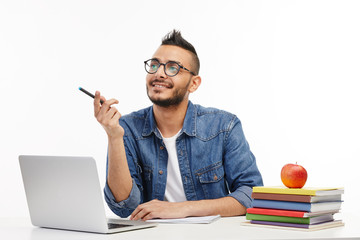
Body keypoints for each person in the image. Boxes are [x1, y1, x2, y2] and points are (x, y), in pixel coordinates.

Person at [94, 30, 263, 221]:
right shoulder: (127, 128)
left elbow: (252, 195)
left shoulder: (224, 126)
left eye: (172, 68)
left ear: (194, 83)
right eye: (155, 65)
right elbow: (124, 207)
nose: (159, 73)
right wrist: (114, 136)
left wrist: (182, 209)